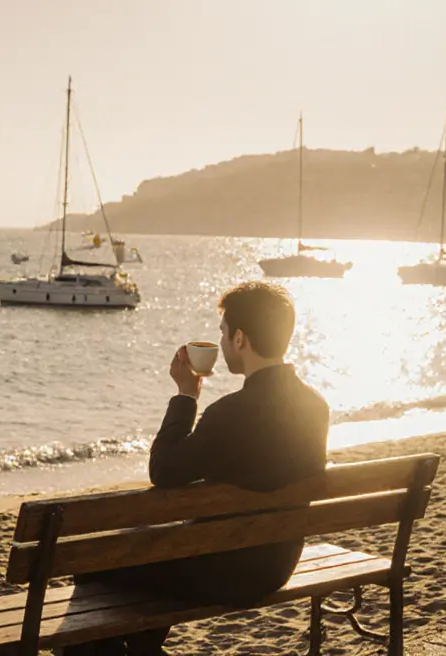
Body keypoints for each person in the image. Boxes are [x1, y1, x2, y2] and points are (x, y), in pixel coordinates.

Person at [60, 281, 330, 656]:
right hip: (276, 564)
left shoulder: (229, 414)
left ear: (239, 338)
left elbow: (164, 470)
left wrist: (186, 396)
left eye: (222, 332)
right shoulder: (315, 407)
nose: (220, 343)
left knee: (95, 565)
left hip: (223, 571)